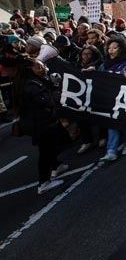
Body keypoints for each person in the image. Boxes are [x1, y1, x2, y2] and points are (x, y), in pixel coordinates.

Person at [13, 57, 70, 194]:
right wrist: (56, 87)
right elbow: (48, 101)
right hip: (42, 124)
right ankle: (43, 183)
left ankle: (57, 165)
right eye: (39, 66)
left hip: (39, 123)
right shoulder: (32, 85)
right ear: (30, 70)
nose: (43, 67)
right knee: (45, 152)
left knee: (55, 144)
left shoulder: (27, 82)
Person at [97, 38, 126, 162]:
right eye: (109, 48)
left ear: (121, 49)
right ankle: (111, 151)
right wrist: (91, 72)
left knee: (125, 121)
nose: (111, 50)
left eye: (114, 48)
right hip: (110, 99)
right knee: (112, 123)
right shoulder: (104, 65)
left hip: (125, 99)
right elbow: (98, 78)